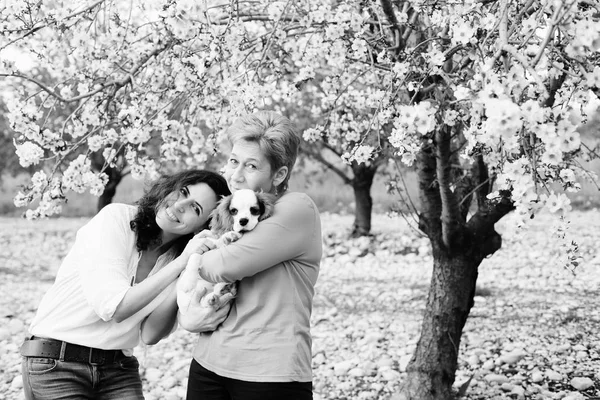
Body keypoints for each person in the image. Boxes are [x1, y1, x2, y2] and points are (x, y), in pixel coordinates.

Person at [20, 169, 232, 400]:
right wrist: (182, 263)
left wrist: (185, 270)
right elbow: (115, 308)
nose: (180, 205)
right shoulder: (117, 219)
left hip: (118, 368)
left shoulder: (177, 259)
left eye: (195, 208)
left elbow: (150, 335)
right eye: (182, 192)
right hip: (56, 362)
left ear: (201, 228)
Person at [183, 111, 323, 400]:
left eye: (251, 166)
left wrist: (199, 255)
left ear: (279, 174)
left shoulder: (296, 208)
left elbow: (220, 265)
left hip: (270, 373)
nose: (235, 175)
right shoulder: (230, 209)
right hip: (209, 362)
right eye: (234, 161)